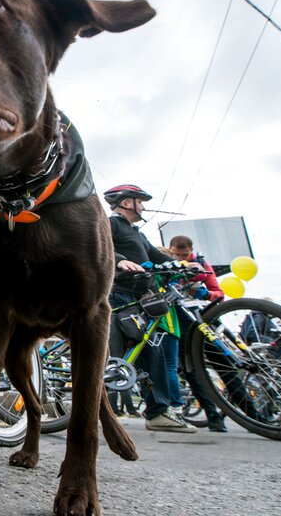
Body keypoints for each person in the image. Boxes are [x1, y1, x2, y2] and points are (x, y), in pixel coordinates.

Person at [103, 184, 195, 433]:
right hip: (119, 294)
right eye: (139, 201)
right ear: (125, 202)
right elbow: (99, 245)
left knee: (152, 351)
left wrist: (183, 265)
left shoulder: (137, 232)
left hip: (139, 297)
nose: (143, 206)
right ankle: (152, 411)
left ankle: (158, 412)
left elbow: (155, 255)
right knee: (125, 352)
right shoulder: (111, 224)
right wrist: (121, 261)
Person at [167, 234, 228, 432]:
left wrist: (206, 294)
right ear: (171, 250)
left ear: (191, 251)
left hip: (204, 317)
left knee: (225, 363)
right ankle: (212, 415)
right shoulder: (168, 263)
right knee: (190, 368)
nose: (182, 259)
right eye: (177, 255)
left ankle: (254, 414)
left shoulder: (201, 264)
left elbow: (218, 292)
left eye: (185, 255)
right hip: (182, 319)